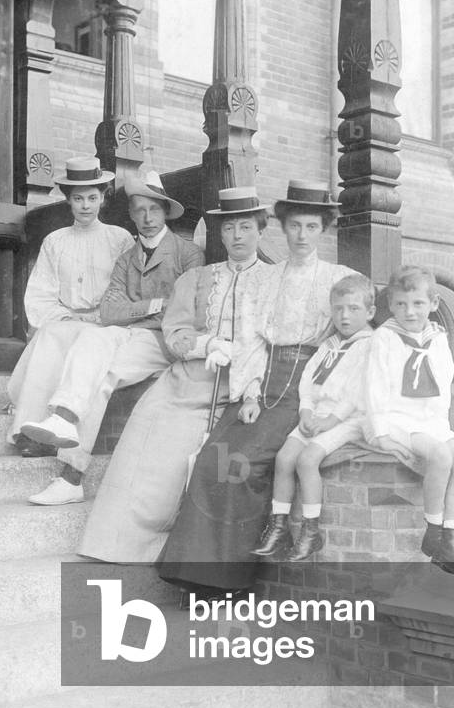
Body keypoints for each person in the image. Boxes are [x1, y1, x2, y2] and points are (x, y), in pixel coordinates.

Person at [158, 179, 356, 592]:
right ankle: (195, 577)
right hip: (264, 378)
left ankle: (229, 581)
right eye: (295, 226)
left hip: (309, 382)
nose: (302, 236)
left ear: (323, 230)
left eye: (311, 227)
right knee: (215, 457)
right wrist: (248, 394)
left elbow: (356, 337)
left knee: (243, 465)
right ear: (282, 228)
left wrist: (328, 401)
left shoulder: (340, 278)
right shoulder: (264, 279)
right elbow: (249, 339)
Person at [78, 186, 271, 562]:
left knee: (201, 464)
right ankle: (117, 544)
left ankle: (170, 549)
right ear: (219, 234)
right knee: (144, 439)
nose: (237, 237)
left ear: (260, 231)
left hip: (242, 384)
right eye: (228, 229)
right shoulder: (197, 278)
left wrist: (244, 365)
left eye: (245, 228)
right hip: (184, 380)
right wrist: (207, 345)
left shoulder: (275, 281)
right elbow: (175, 330)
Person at [19, 167, 204, 505]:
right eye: (139, 210)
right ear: (131, 215)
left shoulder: (188, 254)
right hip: (126, 336)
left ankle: (69, 457)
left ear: (165, 212)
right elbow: (109, 312)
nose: (147, 217)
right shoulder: (126, 258)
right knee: (94, 349)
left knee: (100, 353)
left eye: (154, 209)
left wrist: (142, 309)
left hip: (163, 342)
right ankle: (69, 456)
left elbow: (183, 312)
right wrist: (154, 305)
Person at [7, 156, 134, 457]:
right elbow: (41, 294)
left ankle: (57, 429)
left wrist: (97, 315)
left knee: (65, 337)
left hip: (107, 323)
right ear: (69, 201)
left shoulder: (120, 239)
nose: (86, 205)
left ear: (103, 199)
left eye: (93, 198)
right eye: (78, 199)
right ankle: (30, 429)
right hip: (67, 319)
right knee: (50, 335)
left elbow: (129, 289)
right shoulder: (56, 241)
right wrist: (67, 315)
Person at [363, 264, 454, 584]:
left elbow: (441, 388)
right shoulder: (385, 338)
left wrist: (444, 430)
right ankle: (433, 532)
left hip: (431, 420)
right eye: (400, 304)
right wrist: (380, 432)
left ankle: (452, 540)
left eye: (417, 303)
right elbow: (373, 387)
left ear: (433, 304)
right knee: (441, 456)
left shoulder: (437, 339)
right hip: (397, 417)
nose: (409, 312)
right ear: (390, 305)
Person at [252, 272, 376, 562]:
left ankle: (311, 532)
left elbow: (359, 393)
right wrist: (306, 411)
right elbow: (307, 381)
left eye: (353, 309)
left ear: (370, 311)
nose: (344, 316)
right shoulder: (329, 345)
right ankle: (279, 527)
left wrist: (329, 422)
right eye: (338, 309)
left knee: (307, 460)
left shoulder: (370, 344)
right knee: (284, 459)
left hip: (349, 419)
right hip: (317, 415)